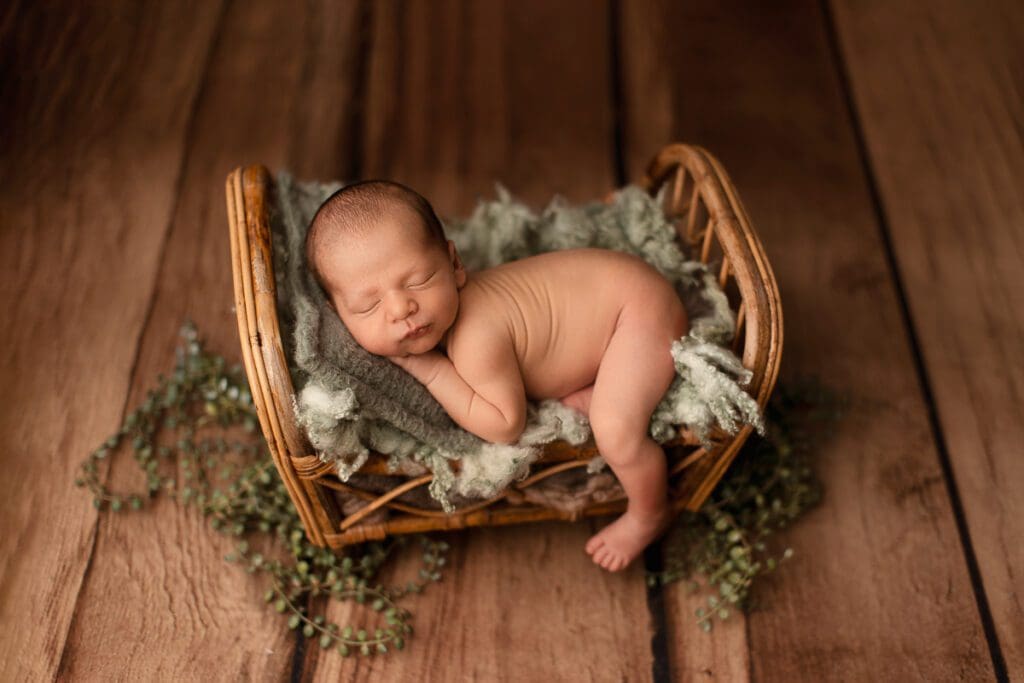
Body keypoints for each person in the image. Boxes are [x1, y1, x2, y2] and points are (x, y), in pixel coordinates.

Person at [305, 179, 689, 572]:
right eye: (369, 306)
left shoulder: (475, 335)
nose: (402, 308)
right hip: (617, 292)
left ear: (455, 266)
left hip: (638, 313)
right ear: (338, 315)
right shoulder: (443, 318)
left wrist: (432, 370)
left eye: (418, 280)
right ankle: (598, 381)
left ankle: (649, 513)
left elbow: (505, 425)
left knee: (615, 432)